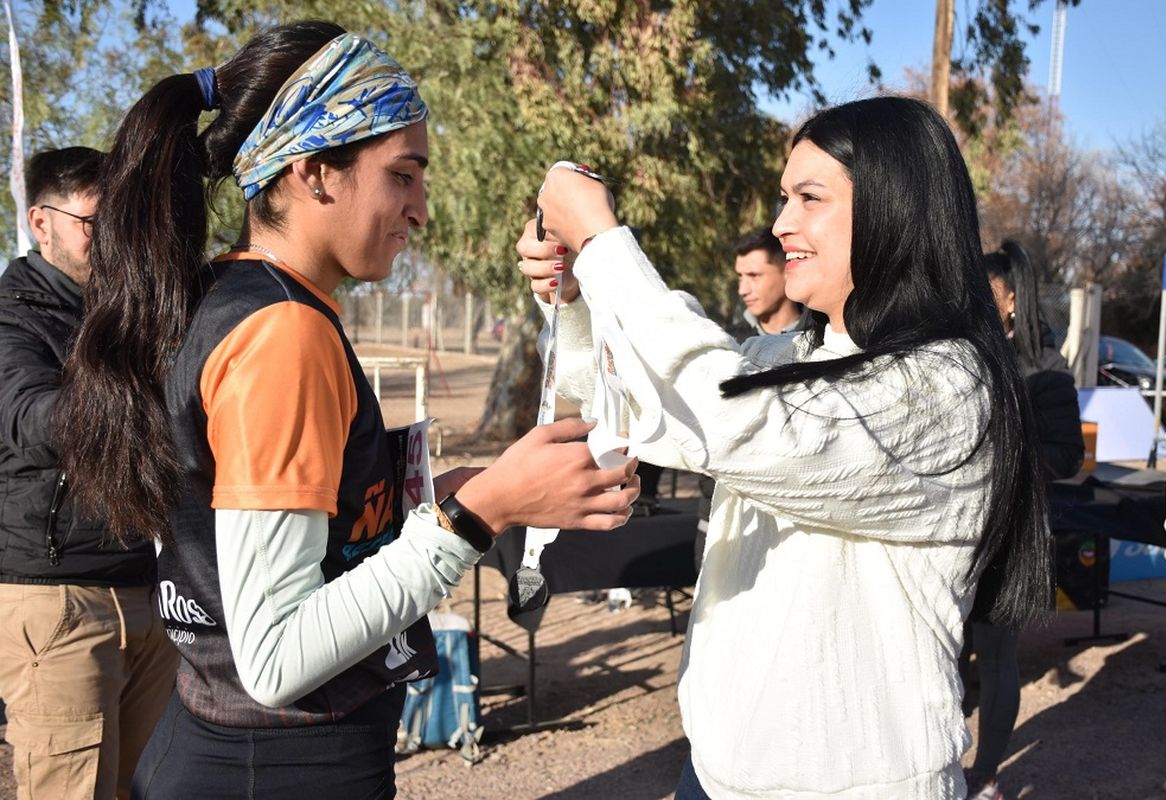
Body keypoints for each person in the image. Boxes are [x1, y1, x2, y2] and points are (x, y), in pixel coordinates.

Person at [56, 22, 639, 798]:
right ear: (314, 173)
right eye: (404, 174)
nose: (421, 209)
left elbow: (271, 535)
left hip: (218, 744)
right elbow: (277, 657)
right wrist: (481, 514)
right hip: (277, 766)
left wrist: (442, 496)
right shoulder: (282, 334)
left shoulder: (227, 298)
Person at [519, 95, 1052, 798]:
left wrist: (604, 243)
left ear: (895, 209)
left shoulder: (947, 387)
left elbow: (731, 417)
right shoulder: (793, 351)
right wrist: (578, 298)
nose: (781, 224)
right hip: (716, 769)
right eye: (781, 197)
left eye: (809, 197)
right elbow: (643, 396)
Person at [0, 147, 178, 800]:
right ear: (40, 222)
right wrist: (140, 389)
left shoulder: (130, 312)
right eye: (91, 223)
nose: (110, 241)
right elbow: (33, 420)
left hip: (147, 593)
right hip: (56, 604)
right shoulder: (11, 316)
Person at [960, 239, 1083, 800]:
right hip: (948, 533)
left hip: (1008, 537)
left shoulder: (1046, 367)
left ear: (1011, 301)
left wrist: (1006, 450)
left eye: (984, 292)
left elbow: (1067, 455)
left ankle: (985, 774)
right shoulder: (957, 352)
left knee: (996, 656)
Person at [730, 226, 811, 339]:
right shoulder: (731, 344)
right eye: (740, 277)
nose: (742, 290)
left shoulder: (825, 337)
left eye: (754, 276)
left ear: (787, 272)